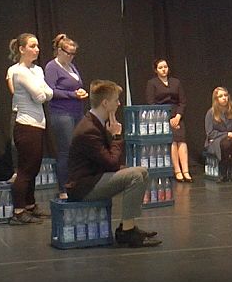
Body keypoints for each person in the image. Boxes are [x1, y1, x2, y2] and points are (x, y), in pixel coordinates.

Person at [66, 80, 161, 248]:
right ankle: (128, 232)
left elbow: (109, 160)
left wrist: (111, 136)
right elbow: (111, 162)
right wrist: (116, 137)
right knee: (135, 176)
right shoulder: (89, 129)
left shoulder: (97, 123)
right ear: (105, 103)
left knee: (142, 171)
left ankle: (128, 226)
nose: (118, 104)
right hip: (83, 187)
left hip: (94, 177)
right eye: (116, 100)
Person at [8, 33, 53, 225]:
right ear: (22, 49)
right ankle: (18, 211)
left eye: (37, 46)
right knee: (26, 170)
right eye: (32, 46)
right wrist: (43, 91)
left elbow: (48, 92)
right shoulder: (19, 72)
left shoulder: (38, 70)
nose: (37, 49)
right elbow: (40, 97)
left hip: (37, 124)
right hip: (26, 125)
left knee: (33, 168)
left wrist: (43, 91)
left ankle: (29, 205)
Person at [45, 34, 88, 200]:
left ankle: (76, 183)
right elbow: (50, 91)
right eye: (68, 53)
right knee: (66, 150)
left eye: (73, 54)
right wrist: (72, 94)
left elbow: (76, 86)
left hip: (77, 111)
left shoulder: (72, 67)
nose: (71, 57)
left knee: (78, 149)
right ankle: (63, 188)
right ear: (59, 51)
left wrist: (80, 92)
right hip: (61, 113)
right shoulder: (52, 67)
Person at [145, 59, 190, 182]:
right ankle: (177, 170)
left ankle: (186, 171)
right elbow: (151, 103)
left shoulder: (176, 82)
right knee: (173, 141)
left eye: (165, 67)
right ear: (156, 70)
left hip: (177, 115)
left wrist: (178, 116)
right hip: (162, 117)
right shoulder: (152, 83)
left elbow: (182, 102)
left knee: (181, 140)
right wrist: (167, 118)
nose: (164, 69)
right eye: (160, 68)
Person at [204, 87, 232, 183]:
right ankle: (223, 173)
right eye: (221, 96)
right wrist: (227, 134)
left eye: (225, 95)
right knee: (225, 144)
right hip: (216, 140)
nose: (224, 98)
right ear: (216, 99)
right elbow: (210, 133)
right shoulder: (211, 113)